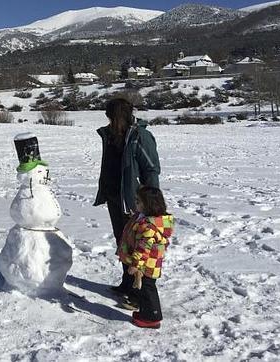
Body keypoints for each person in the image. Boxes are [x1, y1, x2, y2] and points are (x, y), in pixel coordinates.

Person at [93, 98, 161, 300]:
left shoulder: (140, 136)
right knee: (123, 243)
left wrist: (150, 204)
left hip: (135, 202)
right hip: (115, 197)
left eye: (110, 116)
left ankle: (138, 292)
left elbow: (151, 169)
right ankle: (127, 282)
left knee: (137, 246)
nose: (108, 120)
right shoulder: (111, 135)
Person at [117, 186, 173, 329]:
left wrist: (135, 264)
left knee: (148, 290)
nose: (135, 203)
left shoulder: (149, 226)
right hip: (143, 264)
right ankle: (145, 312)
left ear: (149, 204)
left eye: (138, 201)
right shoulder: (142, 217)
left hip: (147, 265)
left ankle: (152, 317)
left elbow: (143, 249)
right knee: (142, 289)